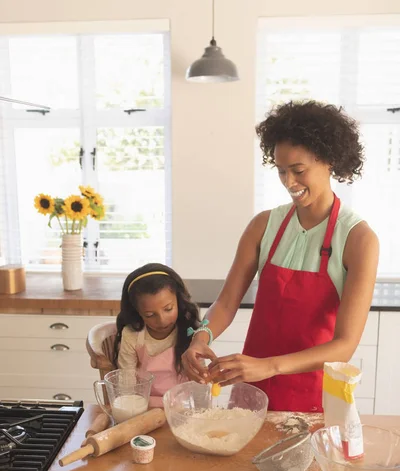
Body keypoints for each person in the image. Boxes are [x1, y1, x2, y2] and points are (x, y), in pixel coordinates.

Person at [182, 100, 379, 412]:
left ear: (329, 161)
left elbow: (344, 346)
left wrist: (270, 366)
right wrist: (201, 338)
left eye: (299, 171)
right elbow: (226, 302)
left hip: (313, 393)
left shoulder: (358, 240)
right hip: (251, 386)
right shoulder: (264, 225)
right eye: (281, 171)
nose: (289, 183)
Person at [114, 263, 200, 408]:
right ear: (137, 312)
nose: (162, 320)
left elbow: (199, 383)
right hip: (144, 405)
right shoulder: (132, 336)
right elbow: (126, 384)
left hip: (184, 407)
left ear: (179, 301)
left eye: (168, 309)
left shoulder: (190, 331)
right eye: (150, 315)